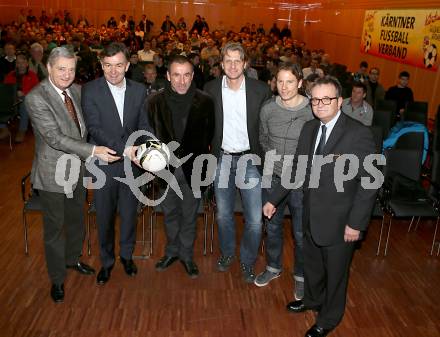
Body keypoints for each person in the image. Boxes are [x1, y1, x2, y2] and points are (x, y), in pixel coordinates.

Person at [263, 76, 377, 337]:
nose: (320, 104)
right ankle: (312, 300)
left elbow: (369, 184)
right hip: (310, 214)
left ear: (339, 101)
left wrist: (356, 224)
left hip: (341, 222)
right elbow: (297, 170)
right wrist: (274, 198)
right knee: (312, 264)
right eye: (315, 99)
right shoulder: (310, 129)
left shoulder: (359, 134)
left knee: (336, 274)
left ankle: (329, 318)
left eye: (327, 99)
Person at [25, 46, 119, 303]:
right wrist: (93, 150)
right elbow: (55, 138)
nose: (67, 75)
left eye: (71, 69)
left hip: (77, 170)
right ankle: (57, 279)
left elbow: (93, 123)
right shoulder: (36, 98)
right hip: (52, 173)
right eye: (61, 69)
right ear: (48, 68)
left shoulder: (78, 91)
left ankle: (72, 259)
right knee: (55, 229)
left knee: (77, 219)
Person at [82, 42, 149, 286]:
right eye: (108, 65)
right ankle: (107, 262)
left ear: (128, 65)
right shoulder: (90, 90)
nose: (113, 71)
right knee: (105, 218)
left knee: (130, 216)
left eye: (118, 65)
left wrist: (147, 149)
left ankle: (127, 256)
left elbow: (144, 126)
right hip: (104, 165)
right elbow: (94, 128)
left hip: (132, 166)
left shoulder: (140, 90)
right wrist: (127, 149)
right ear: (101, 65)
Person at [204, 42, 271, 283]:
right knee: (223, 215)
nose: (232, 65)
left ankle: (247, 260)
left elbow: (267, 130)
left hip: (250, 160)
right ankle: (227, 253)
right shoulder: (210, 89)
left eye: (237, 60)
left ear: (245, 64)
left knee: (254, 219)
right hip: (221, 159)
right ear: (221, 64)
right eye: (228, 60)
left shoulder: (260, 90)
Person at [145, 55, 215, 278]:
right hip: (165, 171)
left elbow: (210, 135)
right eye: (176, 75)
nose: (182, 80)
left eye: (186, 75)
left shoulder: (205, 101)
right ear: (167, 76)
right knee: (170, 214)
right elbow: (149, 136)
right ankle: (172, 251)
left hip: (193, 171)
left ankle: (186, 254)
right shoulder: (154, 102)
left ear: (193, 76)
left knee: (189, 215)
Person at [257, 63, 314, 300]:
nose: (284, 87)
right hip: (274, 178)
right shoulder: (268, 109)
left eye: (290, 81)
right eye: (280, 81)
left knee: (301, 233)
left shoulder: (312, 110)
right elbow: (263, 139)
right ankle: (273, 267)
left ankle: (300, 276)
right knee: (272, 228)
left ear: (300, 83)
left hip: (301, 182)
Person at [3, 53, 39, 143]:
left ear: (27, 64)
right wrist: (14, 94)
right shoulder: (10, 75)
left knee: (25, 102)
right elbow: (5, 90)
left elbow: (37, 91)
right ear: (16, 64)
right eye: (19, 63)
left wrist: (24, 94)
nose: (21, 65)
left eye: (23, 62)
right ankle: (3, 128)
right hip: (12, 100)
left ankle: (22, 130)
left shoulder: (32, 75)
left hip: (27, 100)